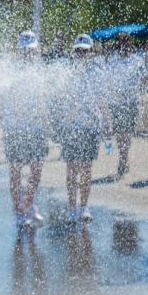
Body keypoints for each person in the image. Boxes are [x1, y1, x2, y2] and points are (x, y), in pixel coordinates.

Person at [57, 34, 112, 223]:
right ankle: (72, 208)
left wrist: (108, 125)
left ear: (90, 52)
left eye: (84, 51)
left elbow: (102, 100)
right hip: (70, 126)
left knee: (86, 169)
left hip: (90, 127)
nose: (81, 54)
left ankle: (84, 206)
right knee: (72, 169)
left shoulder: (98, 72)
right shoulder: (68, 71)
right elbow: (60, 95)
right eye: (78, 51)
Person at [1, 31, 52, 226]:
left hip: (36, 127)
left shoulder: (38, 70)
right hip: (15, 128)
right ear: (19, 51)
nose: (29, 54)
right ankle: (19, 212)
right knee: (15, 170)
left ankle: (28, 204)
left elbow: (40, 99)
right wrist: (22, 114)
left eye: (32, 51)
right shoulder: (11, 71)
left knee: (37, 169)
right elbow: (11, 98)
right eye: (25, 51)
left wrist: (46, 123)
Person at [105, 33, 146, 176]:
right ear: (117, 44)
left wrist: (140, 92)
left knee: (127, 132)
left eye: (125, 42)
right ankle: (123, 156)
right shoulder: (111, 61)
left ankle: (123, 159)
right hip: (116, 102)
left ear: (129, 43)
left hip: (131, 101)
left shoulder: (137, 60)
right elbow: (107, 81)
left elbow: (143, 79)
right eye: (120, 42)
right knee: (119, 132)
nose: (123, 45)